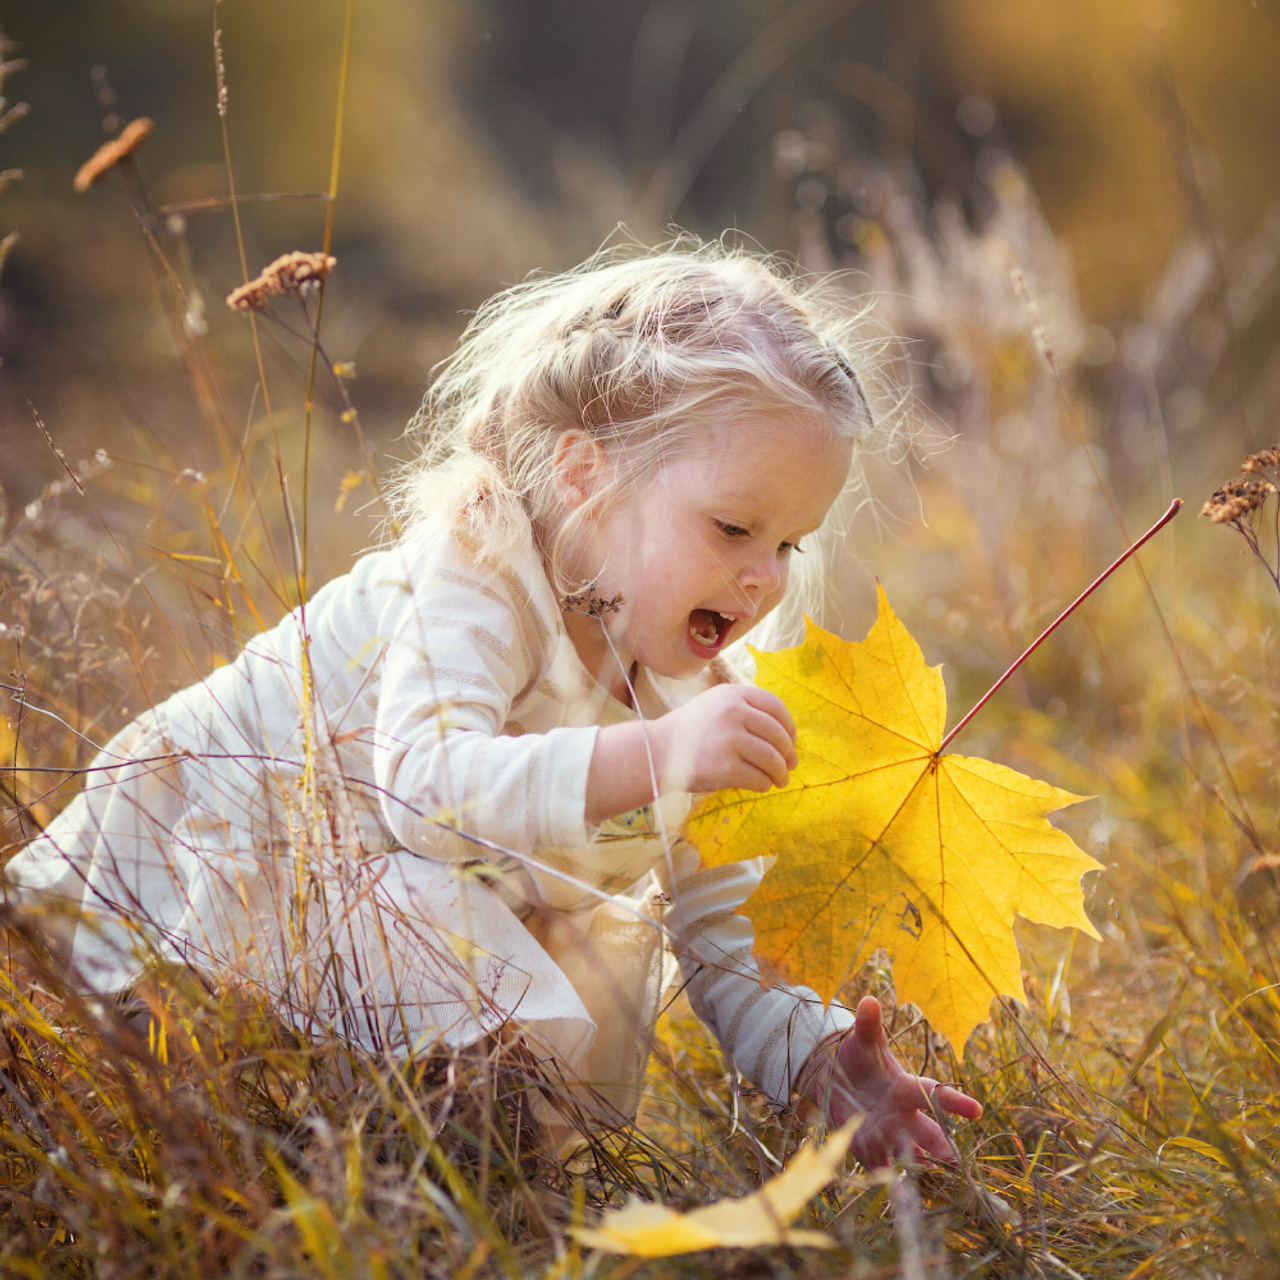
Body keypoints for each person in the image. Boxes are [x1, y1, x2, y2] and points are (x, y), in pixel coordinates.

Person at [4, 241, 981, 1164]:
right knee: (100, 1081)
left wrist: (817, 1057)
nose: (763, 576)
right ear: (585, 475)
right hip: (248, 840)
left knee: (475, 1092)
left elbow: (723, 935)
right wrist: (656, 755)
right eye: (733, 527)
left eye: (789, 543)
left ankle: (445, 1169)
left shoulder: (704, 693)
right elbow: (423, 792)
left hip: (396, 903)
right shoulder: (479, 575)